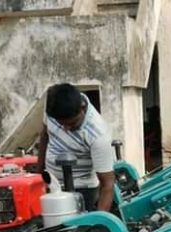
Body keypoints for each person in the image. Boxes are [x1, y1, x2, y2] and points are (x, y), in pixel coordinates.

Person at [37, 83, 115, 211]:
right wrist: (38, 173)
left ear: (82, 108)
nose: (66, 129)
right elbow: (45, 135)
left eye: (72, 124)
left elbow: (107, 184)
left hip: (82, 190)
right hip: (50, 184)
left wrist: (98, 220)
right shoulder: (54, 107)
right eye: (61, 124)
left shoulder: (98, 135)